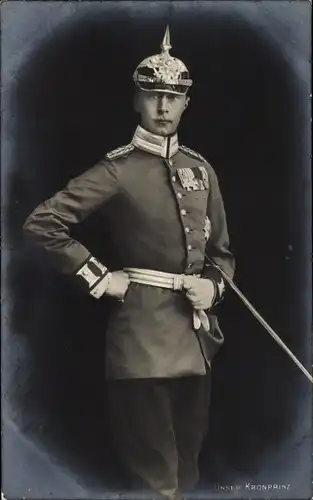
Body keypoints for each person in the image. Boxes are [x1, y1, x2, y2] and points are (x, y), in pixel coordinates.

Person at [23, 26, 235, 500]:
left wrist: (214, 288)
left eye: (173, 97)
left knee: (190, 477)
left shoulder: (200, 170)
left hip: (196, 348)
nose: (163, 108)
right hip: (141, 348)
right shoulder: (116, 170)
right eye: (153, 96)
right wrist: (99, 278)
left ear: (185, 104)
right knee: (157, 484)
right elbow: (41, 223)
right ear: (136, 101)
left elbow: (221, 253)